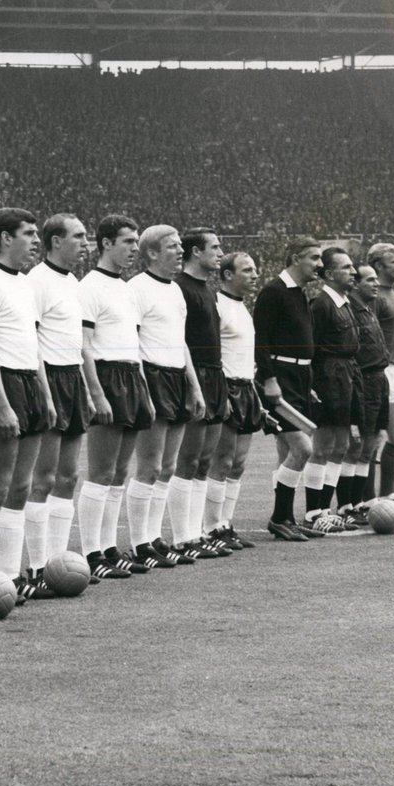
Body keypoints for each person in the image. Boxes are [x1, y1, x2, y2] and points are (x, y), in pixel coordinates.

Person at [0, 208, 56, 602]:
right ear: (5, 238)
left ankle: (11, 575)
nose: (36, 240)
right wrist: (1, 405)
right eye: (29, 233)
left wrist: (46, 394)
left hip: (30, 384)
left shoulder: (25, 284)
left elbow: (33, 345)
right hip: (4, 384)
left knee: (21, 488)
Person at [130, 224, 214, 563]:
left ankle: (155, 538)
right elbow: (132, 342)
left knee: (167, 466)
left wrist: (193, 387)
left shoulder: (175, 291)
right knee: (149, 466)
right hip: (152, 375)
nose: (180, 251)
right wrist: (142, 389)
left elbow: (181, 343)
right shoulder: (137, 288)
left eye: (181, 245)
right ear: (151, 252)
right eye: (172, 246)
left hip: (177, 376)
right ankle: (140, 544)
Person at [77, 214, 155, 578]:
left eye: (136, 242)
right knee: (101, 472)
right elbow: (85, 345)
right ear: (106, 243)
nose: (134, 249)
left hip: (131, 375)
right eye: (127, 242)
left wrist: (145, 392)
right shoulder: (89, 286)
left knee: (120, 472)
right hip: (107, 376)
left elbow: (134, 343)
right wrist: (97, 394)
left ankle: (109, 549)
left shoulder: (125, 288)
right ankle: (92, 553)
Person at [27, 214, 94, 580]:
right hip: (48, 377)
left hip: (72, 377)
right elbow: (32, 340)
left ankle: (58, 563)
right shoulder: (37, 282)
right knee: (44, 478)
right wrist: (46, 392)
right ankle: (37, 566)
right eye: (79, 236)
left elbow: (78, 343)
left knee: (69, 477)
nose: (87, 243)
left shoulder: (74, 282)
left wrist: (86, 386)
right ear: (55, 241)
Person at [173, 229, 248, 551]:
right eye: (214, 247)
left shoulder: (208, 290)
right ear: (194, 252)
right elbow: (181, 342)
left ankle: (201, 533)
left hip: (216, 377)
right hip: (195, 376)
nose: (220, 252)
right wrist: (193, 386)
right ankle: (182, 538)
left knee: (204, 461)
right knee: (188, 460)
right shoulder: (181, 288)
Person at [253, 238, 321, 541]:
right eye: (314, 258)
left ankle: (287, 517)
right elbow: (261, 341)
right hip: (280, 376)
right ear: (295, 258)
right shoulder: (273, 292)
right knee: (303, 449)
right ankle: (279, 517)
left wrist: (310, 382)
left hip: (299, 377)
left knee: (286, 452)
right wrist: (269, 379)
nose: (320, 265)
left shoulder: (300, 293)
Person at [303, 247, 363, 531]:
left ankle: (326, 510)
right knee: (323, 447)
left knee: (341, 446)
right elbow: (310, 348)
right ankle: (314, 513)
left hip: (347, 376)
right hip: (329, 377)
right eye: (347, 268)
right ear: (329, 274)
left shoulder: (345, 302)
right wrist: (313, 385)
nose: (353, 272)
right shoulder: (321, 304)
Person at [206, 252, 263, 547]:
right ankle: (211, 528)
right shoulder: (217, 305)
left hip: (246, 387)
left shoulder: (243, 308)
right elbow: (213, 354)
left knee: (238, 463)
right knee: (222, 461)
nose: (255, 274)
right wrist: (221, 393)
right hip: (227, 388)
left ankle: (225, 524)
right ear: (228, 275)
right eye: (247, 270)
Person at [343, 262, 389, 518]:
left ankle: (359, 503)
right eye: (369, 280)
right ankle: (347, 504)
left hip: (380, 381)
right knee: (357, 446)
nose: (376, 284)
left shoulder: (368, 309)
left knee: (370, 445)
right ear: (356, 284)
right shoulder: (351, 310)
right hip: (365, 381)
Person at [365, 243, 394, 508]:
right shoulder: (375, 296)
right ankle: (367, 499)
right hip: (377, 371)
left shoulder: (392, 294)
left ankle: (388, 494)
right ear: (379, 266)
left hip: (392, 371)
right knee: (373, 438)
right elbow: (369, 336)